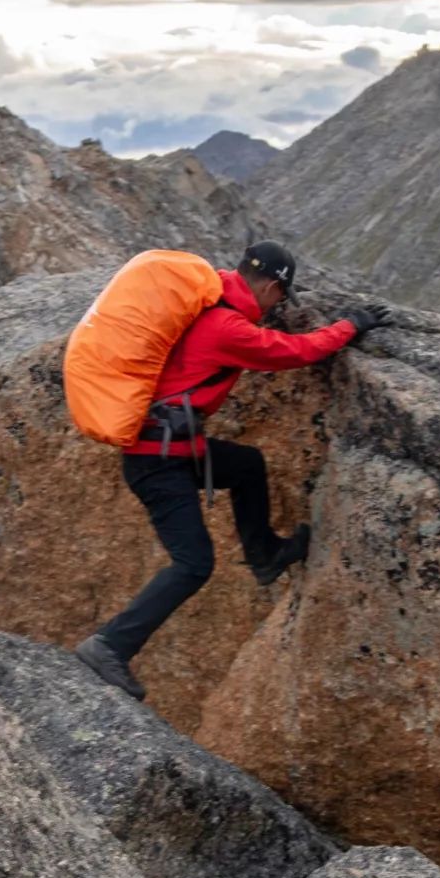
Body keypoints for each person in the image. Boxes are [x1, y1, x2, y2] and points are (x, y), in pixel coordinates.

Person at [74, 239, 392, 699]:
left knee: (245, 465)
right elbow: (294, 351)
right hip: (157, 461)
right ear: (268, 286)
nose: (279, 305)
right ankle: (109, 646)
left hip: (176, 450)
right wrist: (350, 326)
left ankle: (264, 554)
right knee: (194, 564)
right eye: (282, 296)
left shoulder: (213, 300)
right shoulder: (227, 327)